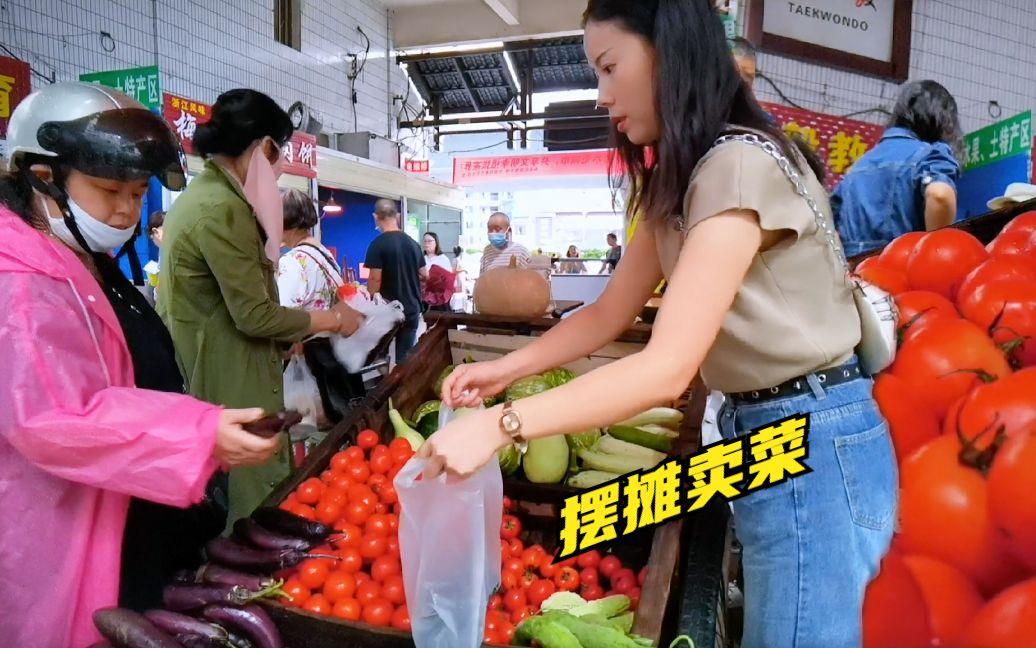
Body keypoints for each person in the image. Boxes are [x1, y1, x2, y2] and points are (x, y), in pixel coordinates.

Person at [422, 3, 896, 648]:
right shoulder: (679, 179)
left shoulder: (736, 163)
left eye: (611, 67)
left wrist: (502, 424)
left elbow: (668, 367)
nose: (602, 94)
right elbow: (607, 314)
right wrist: (504, 370)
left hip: (814, 435)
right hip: (767, 425)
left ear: (670, 53)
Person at [0, 82, 282, 647]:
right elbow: (52, 416)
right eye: (110, 191)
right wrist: (195, 432)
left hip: (105, 501)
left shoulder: (70, 257)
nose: (127, 210)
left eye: (137, 193)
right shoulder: (20, 280)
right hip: (51, 517)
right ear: (43, 178)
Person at [158, 89, 363, 528]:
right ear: (265, 145)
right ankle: (248, 591)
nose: (282, 164)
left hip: (229, 364)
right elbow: (254, 315)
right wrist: (333, 320)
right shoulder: (222, 209)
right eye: (280, 151)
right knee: (251, 507)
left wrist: (283, 339)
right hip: (229, 376)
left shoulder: (210, 198)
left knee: (250, 486)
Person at [831, 79, 962, 257]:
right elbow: (940, 196)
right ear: (942, 120)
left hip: (853, 276)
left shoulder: (857, 168)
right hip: (902, 270)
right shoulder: (930, 154)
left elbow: (829, 223)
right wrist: (934, 252)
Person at [277, 188, 366, 423]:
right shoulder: (322, 252)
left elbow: (282, 316)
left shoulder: (293, 262)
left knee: (329, 421)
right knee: (349, 418)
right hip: (340, 348)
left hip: (316, 352)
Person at [365, 198, 427, 363]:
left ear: (375, 217)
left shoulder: (377, 245)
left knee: (376, 355)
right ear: (397, 216)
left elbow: (374, 279)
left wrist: (368, 300)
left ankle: (384, 383)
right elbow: (424, 275)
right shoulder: (413, 244)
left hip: (389, 312)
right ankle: (404, 385)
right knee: (405, 357)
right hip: (412, 309)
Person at [421, 231, 456, 312]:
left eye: (429, 241)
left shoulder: (443, 259)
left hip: (440, 298)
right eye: (425, 241)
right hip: (424, 297)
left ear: (436, 242)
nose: (426, 243)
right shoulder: (421, 258)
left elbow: (449, 280)